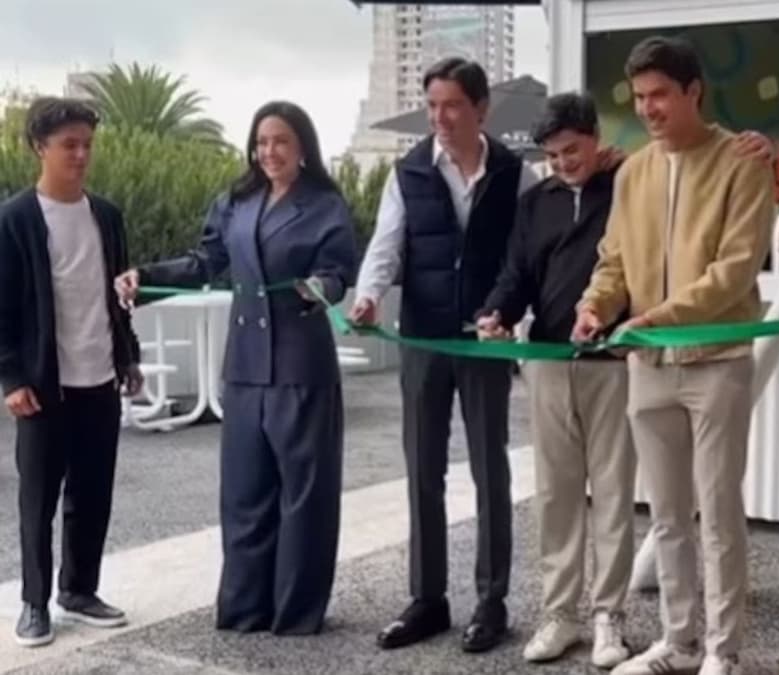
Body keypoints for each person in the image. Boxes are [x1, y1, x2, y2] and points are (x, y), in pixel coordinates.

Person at [475, 91, 776, 666]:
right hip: (560, 360)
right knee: (563, 496)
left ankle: (616, 618)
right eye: (553, 154)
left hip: (627, 361)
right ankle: (569, 614)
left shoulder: (630, 176)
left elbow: (722, 254)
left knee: (625, 497)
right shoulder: (542, 200)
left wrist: (761, 146)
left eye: (572, 149)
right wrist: (502, 312)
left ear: (595, 139)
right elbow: (525, 272)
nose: (564, 162)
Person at [114, 101, 357, 635]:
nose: (269, 151)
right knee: (245, 492)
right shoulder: (236, 201)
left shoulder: (324, 204)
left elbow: (339, 268)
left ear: (302, 148)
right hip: (245, 366)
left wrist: (323, 288)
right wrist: (146, 278)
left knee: (304, 495)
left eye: (281, 141)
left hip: (301, 364)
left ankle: (296, 613)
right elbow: (205, 262)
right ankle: (246, 608)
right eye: (261, 141)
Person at [573, 35, 775, 675]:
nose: (649, 108)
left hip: (716, 361)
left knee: (717, 512)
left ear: (694, 92)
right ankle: (678, 643)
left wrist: (658, 317)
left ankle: (724, 653)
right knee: (664, 516)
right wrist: (594, 308)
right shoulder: (632, 172)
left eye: (660, 94)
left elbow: (737, 270)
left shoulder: (742, 162)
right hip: (647, 367)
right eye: (639, 97)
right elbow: (614, 263)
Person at [352, 56, 543, 655]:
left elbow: (528, 258)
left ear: (481, 109)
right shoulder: (407, 171)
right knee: (423, 473)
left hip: (486, 341)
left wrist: (518, 320)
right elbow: (386, 244)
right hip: (424, 341)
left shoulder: (520, 175)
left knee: (491, 470)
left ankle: (492, 604)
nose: (439, 117)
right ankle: (427, 600)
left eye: (452, 105)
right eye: (433, 105)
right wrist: (367, 295)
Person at [0, 97, 143, 647]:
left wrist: (127, 357)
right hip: (42, 385)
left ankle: (79, 591)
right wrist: (11, 379)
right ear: (41, 147)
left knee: (93, 492)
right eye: (69, 145)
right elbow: (3, 309)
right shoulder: (14, 220)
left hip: (99, 380)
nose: (81, 154)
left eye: (87, 143)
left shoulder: (106, 216)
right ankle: (34, 603)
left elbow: (115, 298)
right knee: (37, 499)